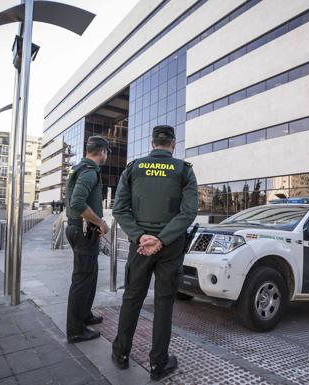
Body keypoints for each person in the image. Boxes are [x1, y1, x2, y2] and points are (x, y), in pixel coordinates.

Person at [111, 125, 198, 381]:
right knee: (164, 304)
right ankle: (158, 364)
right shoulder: (184, 170)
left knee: (132, 299)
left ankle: (121, 354)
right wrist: (162, 239)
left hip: (140, 247)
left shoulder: (134, 168)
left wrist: (141, 236)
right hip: (170, 248)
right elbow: (188, 212)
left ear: (152, 144)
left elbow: (120, 208)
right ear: (173, 144)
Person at [64, 136, 111, 343]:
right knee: (82, 280)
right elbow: (77, 202)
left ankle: (85, 315)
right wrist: (100, 222)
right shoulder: (89, 171)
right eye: (106, 152)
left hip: (81, 230)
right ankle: (76, 330)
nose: (106, 156)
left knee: (89, 276)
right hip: (84, 231)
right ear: (102, 152)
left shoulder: (78, 168)